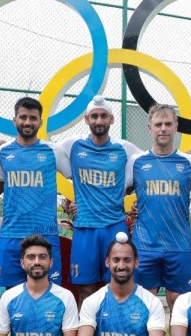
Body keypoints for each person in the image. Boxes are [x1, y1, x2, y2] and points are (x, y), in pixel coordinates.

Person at [57, 96, 143, 306]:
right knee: (85, 289)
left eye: (104, 116)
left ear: (111, 119)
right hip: (85, 228)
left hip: (115, 227)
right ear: (86, 119)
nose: (99, 121)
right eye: (94, 116)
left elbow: (152, 163)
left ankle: (112, 325)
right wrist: (1, 144)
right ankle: (87, 328)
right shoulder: (72, 145)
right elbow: (42, 149)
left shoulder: (125, 149)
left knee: (116, 286)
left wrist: (142, 202)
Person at [127, 104, 191, 314]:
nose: (163, 128)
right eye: (158, 124)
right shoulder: (136, 162)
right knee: (143, 305)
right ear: (149, 128)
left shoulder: (190, 163)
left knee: (179, 305)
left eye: (168, 124)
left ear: (176, 127)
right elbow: (119, 193)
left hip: (178, 245)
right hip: (145, 245)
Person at [0, 97, 70, 289]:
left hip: (45, 235)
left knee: (50, 293)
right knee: (12, 294)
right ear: (14, 120)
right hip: (11, 234)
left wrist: (78, 204)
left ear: (40, 122)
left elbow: (76, 177)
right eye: (23, 117)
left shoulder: (53, 151)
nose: (28, 122)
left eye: (33, 118)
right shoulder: (2, 152)